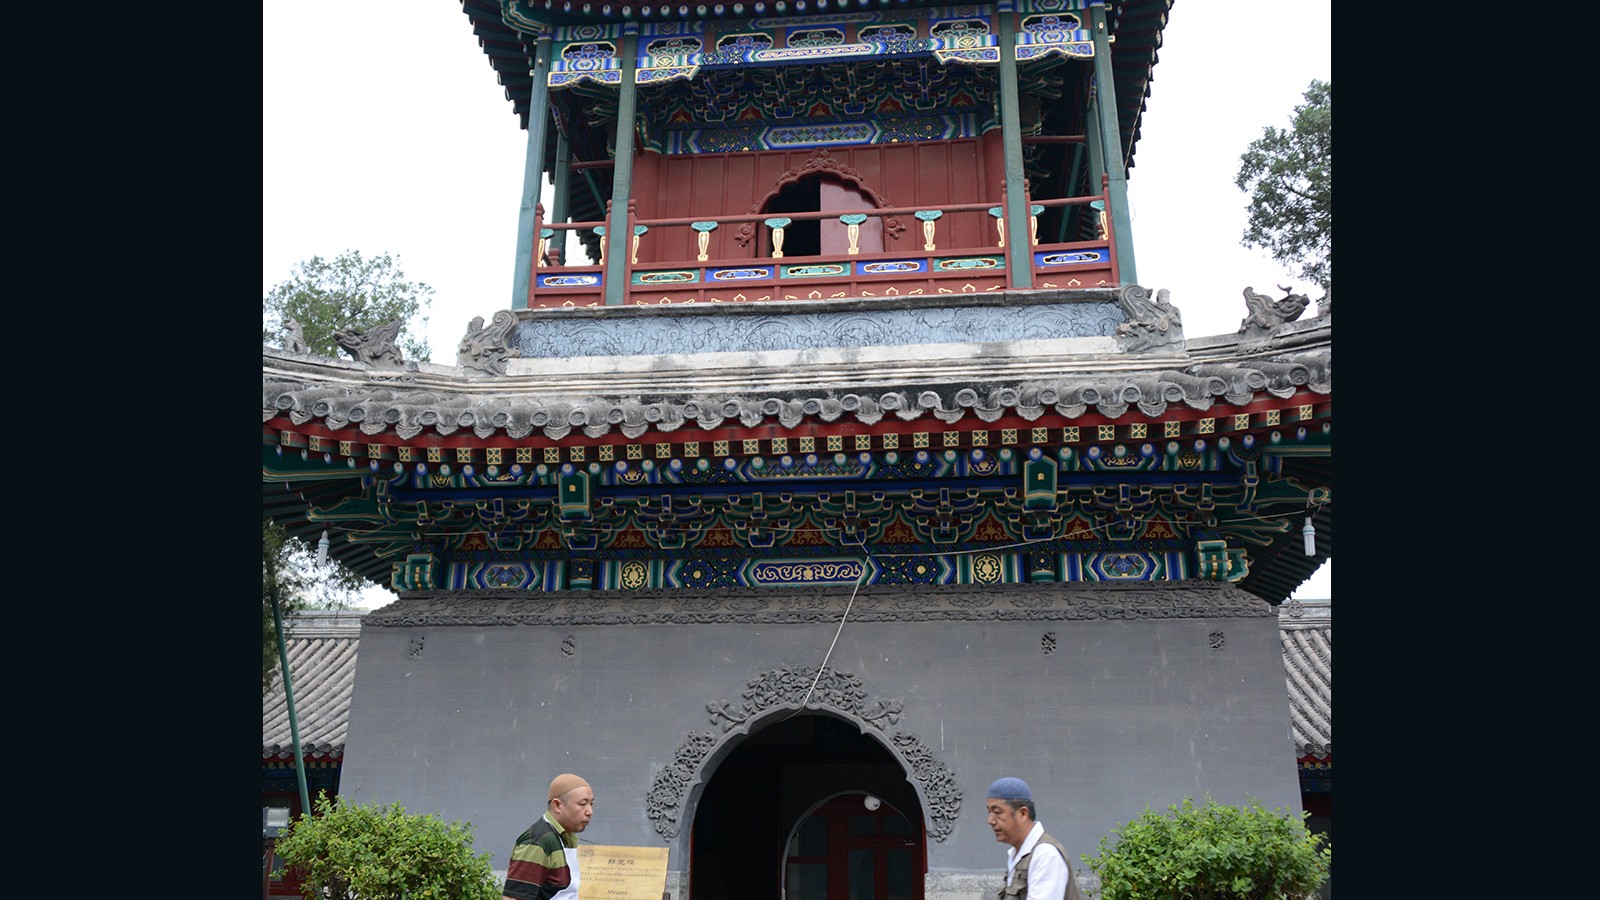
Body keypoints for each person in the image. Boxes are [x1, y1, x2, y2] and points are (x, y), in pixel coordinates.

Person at [984, 776, 1083, 900]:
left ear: (1023, 813)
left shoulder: (1045, 855)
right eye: (989, 812)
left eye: (997, 812)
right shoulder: (1017, 854)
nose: (990, 821)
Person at [502, 773, 596, 900]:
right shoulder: (537, 842)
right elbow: (514, 898)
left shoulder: (565, 837)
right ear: (557, 805)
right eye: (582, 804)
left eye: (591, 804)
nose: (589, 812)